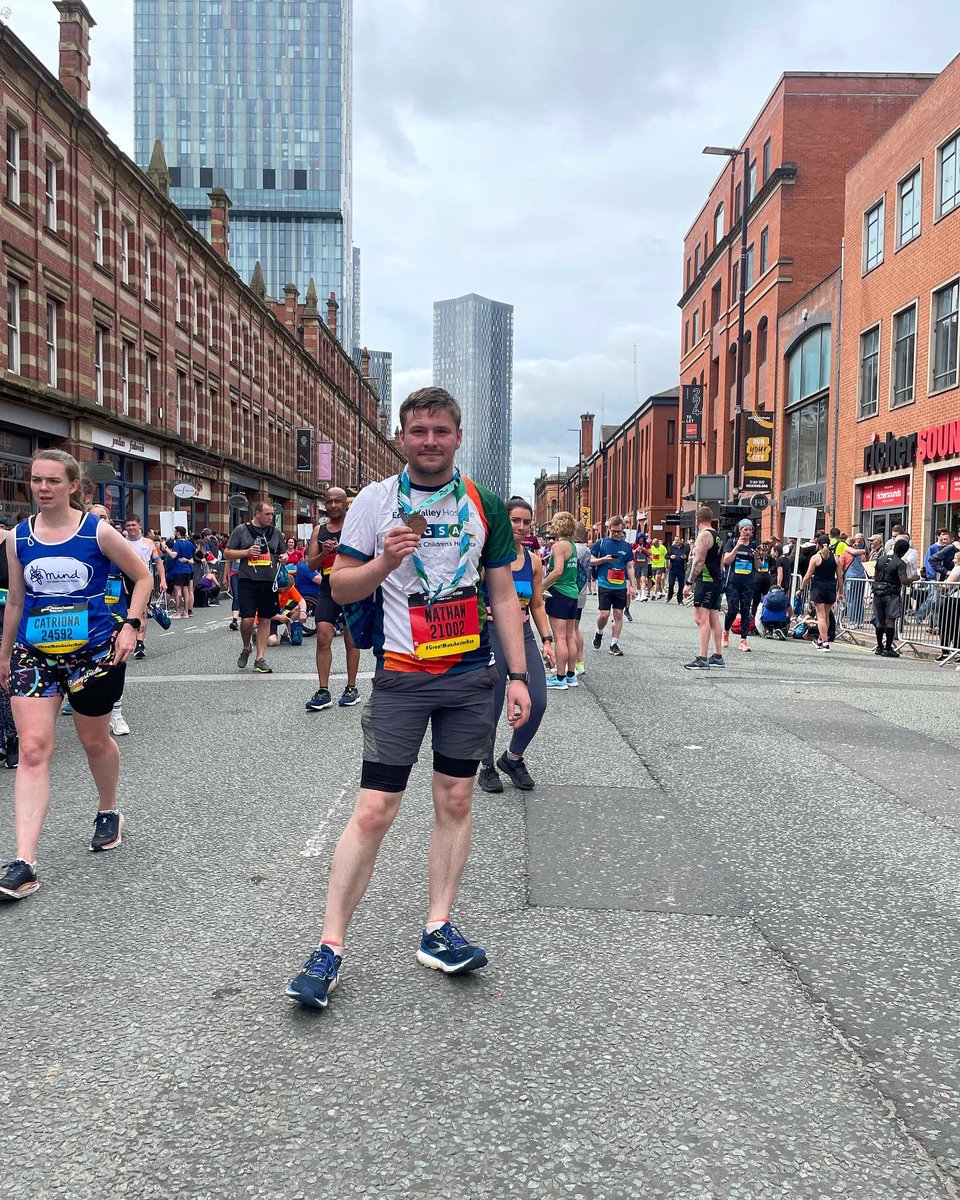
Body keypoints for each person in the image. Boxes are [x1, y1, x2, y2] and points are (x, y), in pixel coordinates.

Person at [285, 387, 530, 1008]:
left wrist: (521, 676)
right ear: (402, 436)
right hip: (400, 673)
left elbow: (502, 595)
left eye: (440, 431)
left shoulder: (484, 505)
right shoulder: (374, 501)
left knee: (455, 798)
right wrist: (384, 564)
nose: (428, 440)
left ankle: (438, 928)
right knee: (374, 810)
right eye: (417, 430)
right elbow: (339, 589)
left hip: (470, 675)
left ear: (457, 435)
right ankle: (329, 946)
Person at [0, 450, 152, 901]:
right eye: (35, 480)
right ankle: (24, 862)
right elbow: (14, 602)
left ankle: (109, 809)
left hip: (92, 655)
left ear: (72, 486)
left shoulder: (97, 531)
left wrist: (132, 625)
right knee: (31, 750)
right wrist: (4, 653)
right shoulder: (18, 539)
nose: (43, 488)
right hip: (34, 654)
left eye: (52, 481)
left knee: (94, 741)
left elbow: (142, 577)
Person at [477, 498, 552, 793]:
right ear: (504, 522)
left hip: (523, 635)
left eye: (526, 522)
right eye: (515, 521)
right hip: (491, 633)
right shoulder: (488, 557)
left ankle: (512, 758)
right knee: (492, 707)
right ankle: (486, 767)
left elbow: (537, 604)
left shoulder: (534, 561)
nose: (521, 527)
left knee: (538, 701)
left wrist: (547, 640)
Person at [304, 487, 361, 711]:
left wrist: (344, 550)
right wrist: (325, 553)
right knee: (323, 636)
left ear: (345, 503)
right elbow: (310, 565)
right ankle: (323, 690)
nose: (334, 506)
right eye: (329, 502)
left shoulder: (355, 525)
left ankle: (351, 687)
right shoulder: (319, 530)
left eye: (338, 501)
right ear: (324, 504)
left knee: (350, 639)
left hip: (350, 585)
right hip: (328, 588)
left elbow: (367, 554)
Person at [224, 501, 287, 673]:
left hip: (268, 581)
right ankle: (247, 646)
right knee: (247, 620)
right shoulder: (241, 530)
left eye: (272, 514)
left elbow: (283, 552)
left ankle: (260, 659)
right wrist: (246, 552)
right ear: (257, 514)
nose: (271, 517)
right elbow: (227, 553)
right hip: (247, 580)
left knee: (266, 618)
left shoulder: (275, 533)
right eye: (267, 514)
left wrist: (284, 558)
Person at [540, 511, 581, 689]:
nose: (550, 526)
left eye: (553, 523)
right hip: (572, 592)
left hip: (560, 592)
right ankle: (571, 675)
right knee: (570, 636)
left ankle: (560, 676)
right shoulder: (571, 545)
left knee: (560, 637)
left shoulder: (558, 546)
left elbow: (557, 571)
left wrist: (541, 586)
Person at [683, 506, 725, 670]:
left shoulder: (703, 536)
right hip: (716, 580)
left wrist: (688, 583)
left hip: (706, 580)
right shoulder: (718, 536)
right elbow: (720, 561)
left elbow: (699, 562)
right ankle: (718, 655)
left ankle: (702, 657)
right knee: (714, 617)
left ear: (697, 520)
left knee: (701, 618)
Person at [591, 517, 637, 656]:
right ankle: (599, 632)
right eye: (614, 531)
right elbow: (591, 561)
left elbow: (630, 566)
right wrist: (604, 559)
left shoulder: (627, 546)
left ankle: (614, 644)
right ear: (609, 529)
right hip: (604, 583)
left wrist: (633, 586)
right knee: (604, 614)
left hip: (620, 585)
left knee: (618, 613)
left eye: (619, 531)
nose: (616, 534)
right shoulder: (601, 543)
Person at [123, 516, 166, 658]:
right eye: (128, 525)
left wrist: (163, 580)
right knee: (128, 612)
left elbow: (158, 562)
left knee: (141, 612)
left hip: (144, 580)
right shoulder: (120, 542)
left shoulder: (149, 543)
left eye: (133, 525)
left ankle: (139, 644)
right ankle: (128, 639)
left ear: (139, 525)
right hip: (125, 580)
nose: (131, 528)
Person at [870, 535, 918, 658]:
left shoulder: (881, 559)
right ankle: (888, 648)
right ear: (905, 551)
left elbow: (875, 576)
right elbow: (904, 581)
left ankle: (879, 647)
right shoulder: (900, 563)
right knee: (891, 620)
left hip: (878, 592)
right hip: (891, 593)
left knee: (880, 620)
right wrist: (914, 578)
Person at [722, 518, 759, 652]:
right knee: (732, 609)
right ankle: (725, 631)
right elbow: (727, 560)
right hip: (733, 581)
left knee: (745, 610)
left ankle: (744, 640)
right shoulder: (731, 542)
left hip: (748, 581)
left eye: (750, 530)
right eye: (745, 530)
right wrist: (737, 547)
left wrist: (757, 557)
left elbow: (758, 566)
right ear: (740, 530)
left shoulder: (754, 545)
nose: (748, 532)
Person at [801, 534, 843, 651]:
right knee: (826, 615)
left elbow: (808, 576)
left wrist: (801, 588)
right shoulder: (836, 558)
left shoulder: (816, 557)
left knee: (821, 616)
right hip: (831, 588)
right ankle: (821, 639)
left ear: (818, 545)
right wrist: (841, 592)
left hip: (818, 587)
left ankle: (825, 643)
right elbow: (840, 577)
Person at [571, 522, 592, 674]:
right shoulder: (586, 550)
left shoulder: (571, 549)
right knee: (575, 629)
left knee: (567, 631)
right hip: (581, 593)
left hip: (569, 593)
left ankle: (568, 666)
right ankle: (580, 662)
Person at [163, 525, 195, 619]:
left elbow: (173, 555)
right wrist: (187, 559)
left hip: (178, 569)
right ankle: (185, 612)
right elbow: (194, 552)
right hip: (187, 570)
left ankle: (177, 612)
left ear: (178, 533)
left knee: (178, 590)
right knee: (186, 590)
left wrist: (166, 549)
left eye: (175, 531)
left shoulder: (177, 543)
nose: (174, 533)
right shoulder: (189, 543)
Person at [666, 536, 688, 605]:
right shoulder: (671, 548)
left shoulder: (685, 548)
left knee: (681, 585)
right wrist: (670, 557)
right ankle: (670, 596)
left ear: (681, 541)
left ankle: (680, 600)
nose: (676, 541)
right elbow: (666, 556)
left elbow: (688, 556)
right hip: (673, 569)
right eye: (675, 540)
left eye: (677, 540)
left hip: (681, 569)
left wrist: (685, 557)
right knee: (671, 583)